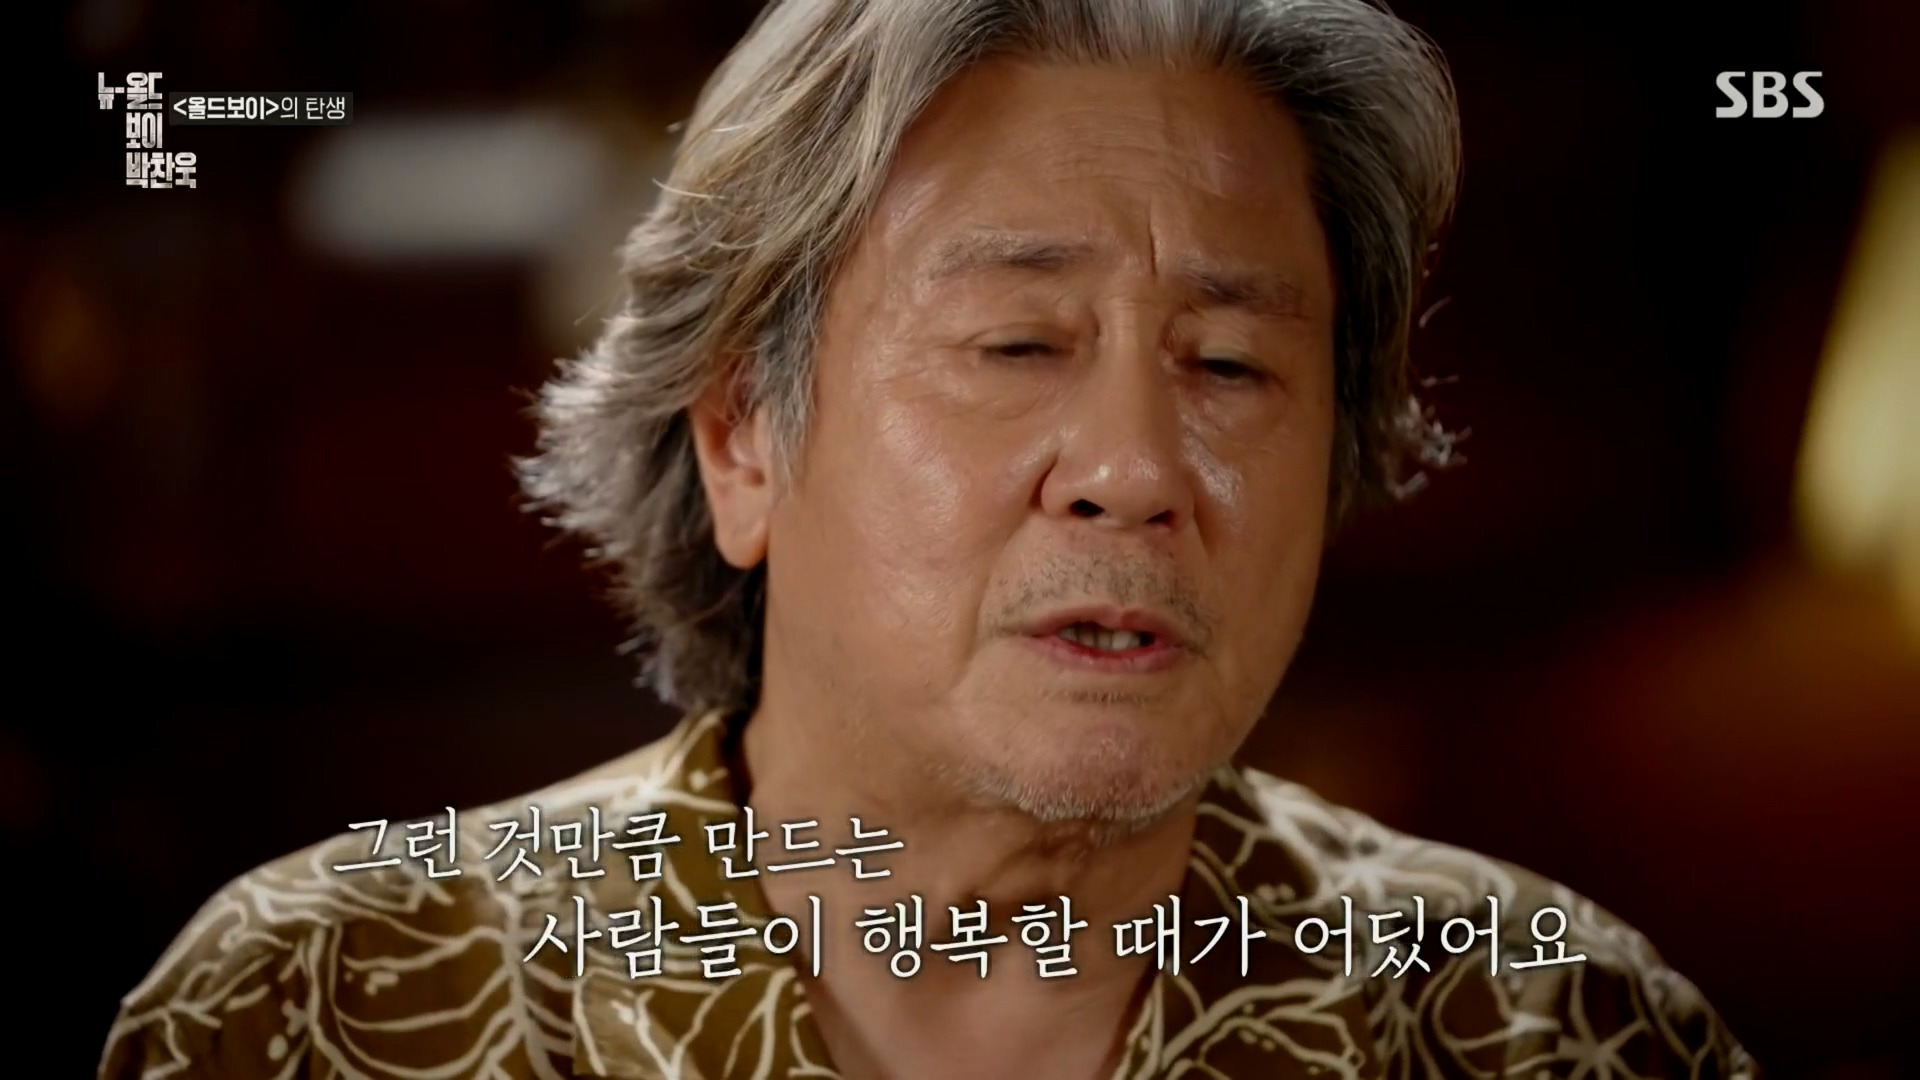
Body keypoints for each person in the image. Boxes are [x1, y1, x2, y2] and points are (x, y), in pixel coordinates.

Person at [101, 1, 1758, 1077]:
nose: (1134, 469)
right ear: (743, 436)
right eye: (1018, 343)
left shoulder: (1553, 1029)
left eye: (1231, 366)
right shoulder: (317, 1010)